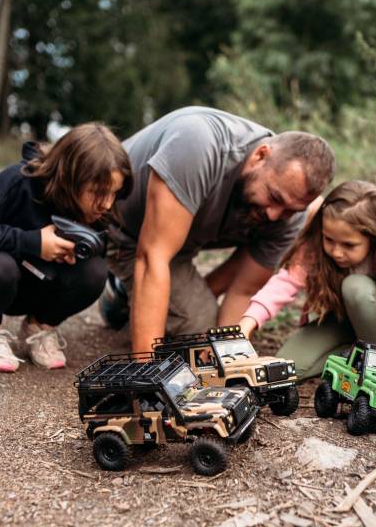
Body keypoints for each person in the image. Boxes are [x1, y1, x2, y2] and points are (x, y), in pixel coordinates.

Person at [99, 106, 336, 355]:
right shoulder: (199, 145)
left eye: (291, 209)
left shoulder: (290, 215)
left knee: (207, 338)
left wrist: (225, 359)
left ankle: (121, 299)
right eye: (274, 197)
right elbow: (152, 257)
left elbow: (244, 288)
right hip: (117, 225)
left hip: (177, 247)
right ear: (260, 156)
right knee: (180, 327)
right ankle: (124, 287)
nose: (275, 215)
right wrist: (145, 375)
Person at [0, 123, 132, 372]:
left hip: (38, 285)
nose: (107, 204)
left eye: (114, 193)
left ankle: (39, 327)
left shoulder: (100, 207)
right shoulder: (18, 182)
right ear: (70, 177)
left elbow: (98, 249)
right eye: (98, 192)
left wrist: (72, 253)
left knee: (94, 272)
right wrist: (32, 242)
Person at [238, 180, 376, 379]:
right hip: (338, 320)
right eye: (329, 240)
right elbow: (284, 283)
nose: (336, 252)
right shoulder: (315, 249)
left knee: (355, 287)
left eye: (348, 245)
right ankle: (353, 356)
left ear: (373, 237)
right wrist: (248, 323)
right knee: (289, 368)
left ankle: (375, 359)